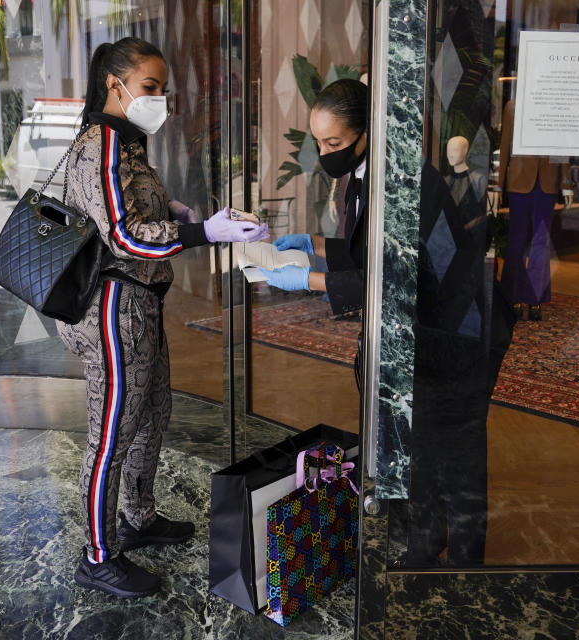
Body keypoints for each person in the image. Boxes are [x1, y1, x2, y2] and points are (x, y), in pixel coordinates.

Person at [58, 37, 268, 598]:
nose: (160, 100)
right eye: (150, 88)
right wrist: (204, 232)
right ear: (115, 85)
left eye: (163, 90)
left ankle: (139, 517)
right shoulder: (101, 143)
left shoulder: (126, 145)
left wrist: (172, 208)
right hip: (110, 308)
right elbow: (123, 236)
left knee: (152, 414)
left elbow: (134, 208)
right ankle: (98, 556)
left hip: (141, 305)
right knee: (111, 434)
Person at [260, 78, 368, 316]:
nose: (323, 153)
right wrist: (312, 243)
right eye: (318, 143)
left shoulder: (390, 186)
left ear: (366, 133)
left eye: (332, 143)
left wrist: (310, 280)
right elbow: (363, 255)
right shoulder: (356, 174)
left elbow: (387, 282)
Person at [497, 99, 573, 321]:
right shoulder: (513, 106)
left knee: (541, 241)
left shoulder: (559, 105)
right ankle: (513, 296)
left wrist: (566, 184)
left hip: (547, 182)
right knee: (516, 240)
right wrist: (498, 183)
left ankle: (534, 298)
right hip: (519, 181)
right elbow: (504, 145)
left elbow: (563, 147)